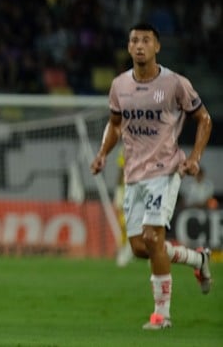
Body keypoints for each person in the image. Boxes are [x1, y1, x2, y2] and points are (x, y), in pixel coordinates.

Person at [89, 22, 213, 330]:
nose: (139, 45)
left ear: (157, 46)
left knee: (153, 237)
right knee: (140, 248)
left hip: (165, 170)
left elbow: (204, 119)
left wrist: (195, 158)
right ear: (129, 47)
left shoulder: (175, 84)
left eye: (146, 40)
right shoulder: (120, 85)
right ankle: (198, 260)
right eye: (134, 40)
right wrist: (103, 153)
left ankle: (162, 315)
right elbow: (115, 124)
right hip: (134, 174)